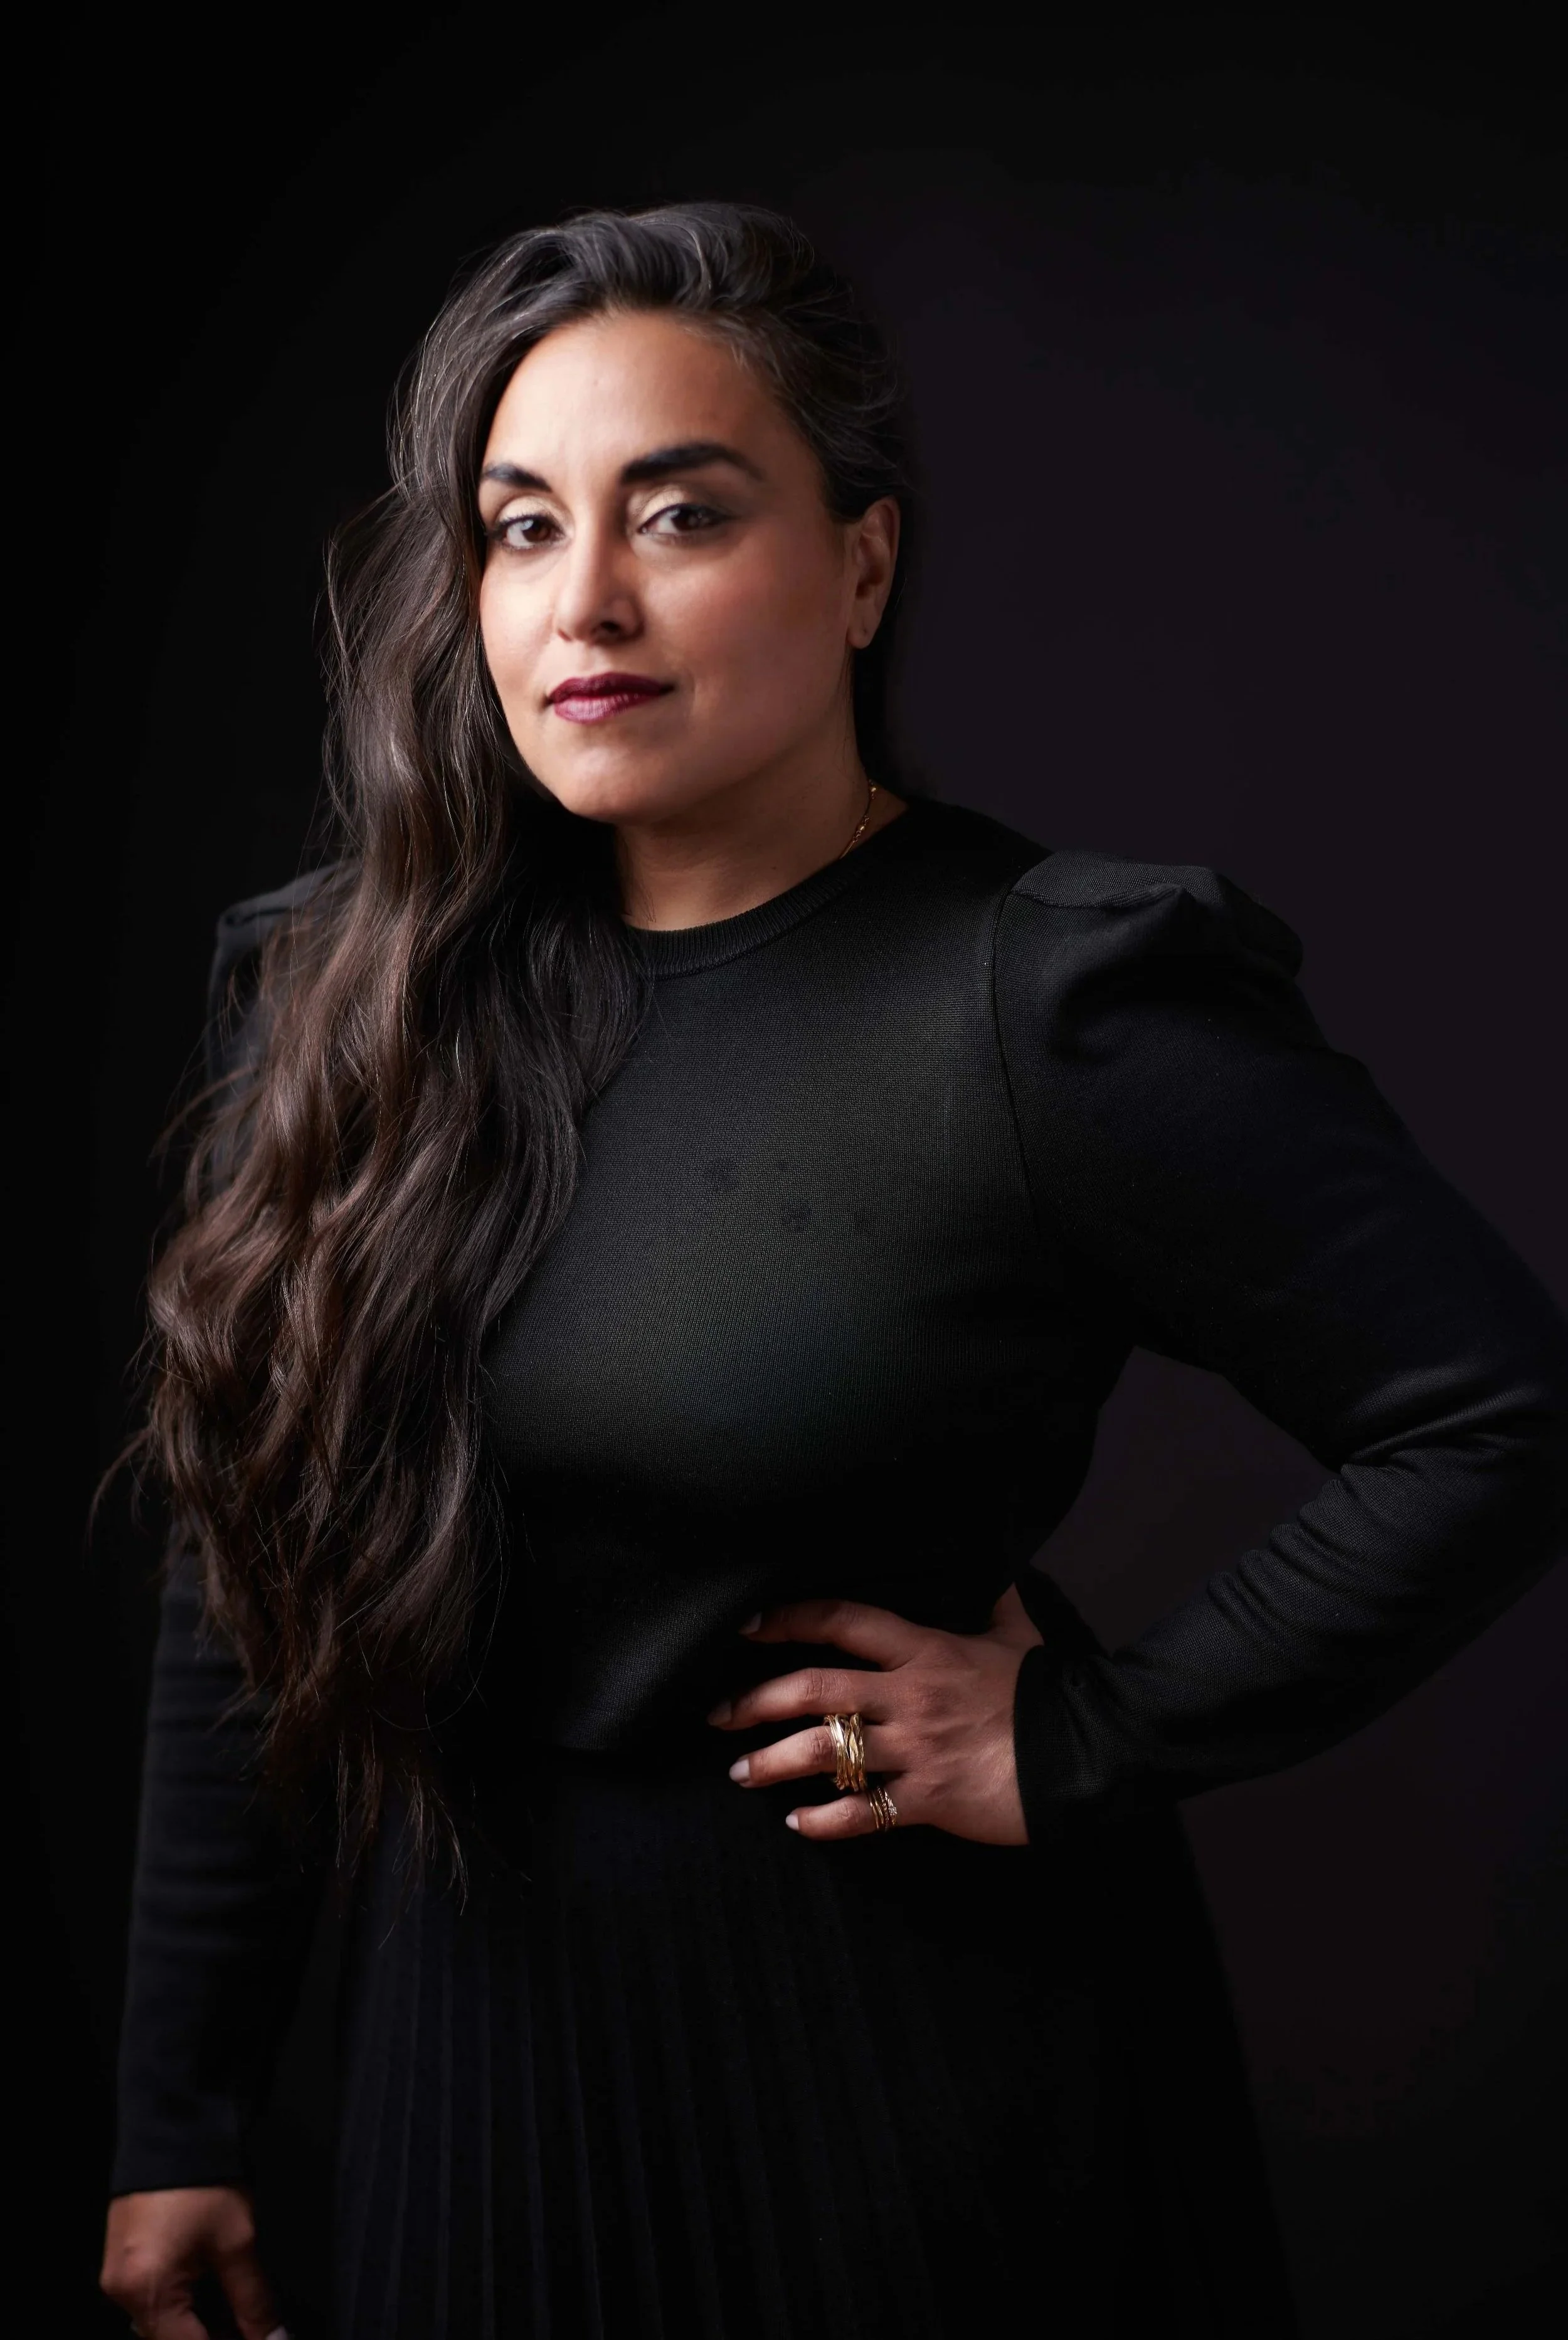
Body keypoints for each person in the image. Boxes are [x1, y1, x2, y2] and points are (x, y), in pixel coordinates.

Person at [100, 203, 1568, 2340]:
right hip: (463, 2080)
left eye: (678, 514)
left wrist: (1081, 1732)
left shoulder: (1040, 998)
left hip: (908, 2103)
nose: (582, 601)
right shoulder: (345, 995)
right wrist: (177, 2114)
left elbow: (1491, 1411)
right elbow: (239, 1573)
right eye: (519, 528)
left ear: (861, 561)